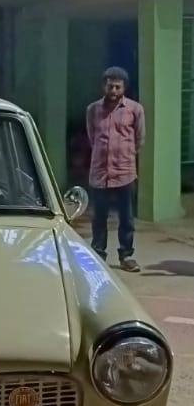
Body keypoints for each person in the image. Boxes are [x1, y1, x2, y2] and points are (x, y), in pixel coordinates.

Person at [86, 66, 145, 273]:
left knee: (126, 218)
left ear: (124, 88)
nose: (113, 91)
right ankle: (98, 254)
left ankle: (126, 255)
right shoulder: (93, 110)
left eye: (117, 87)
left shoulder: (135, 110)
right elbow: (92, 137)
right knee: (99, 217)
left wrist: (124, 155)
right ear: (104, 86)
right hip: (100, 172)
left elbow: (139, 139)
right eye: (110, 86)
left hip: (125, 172)